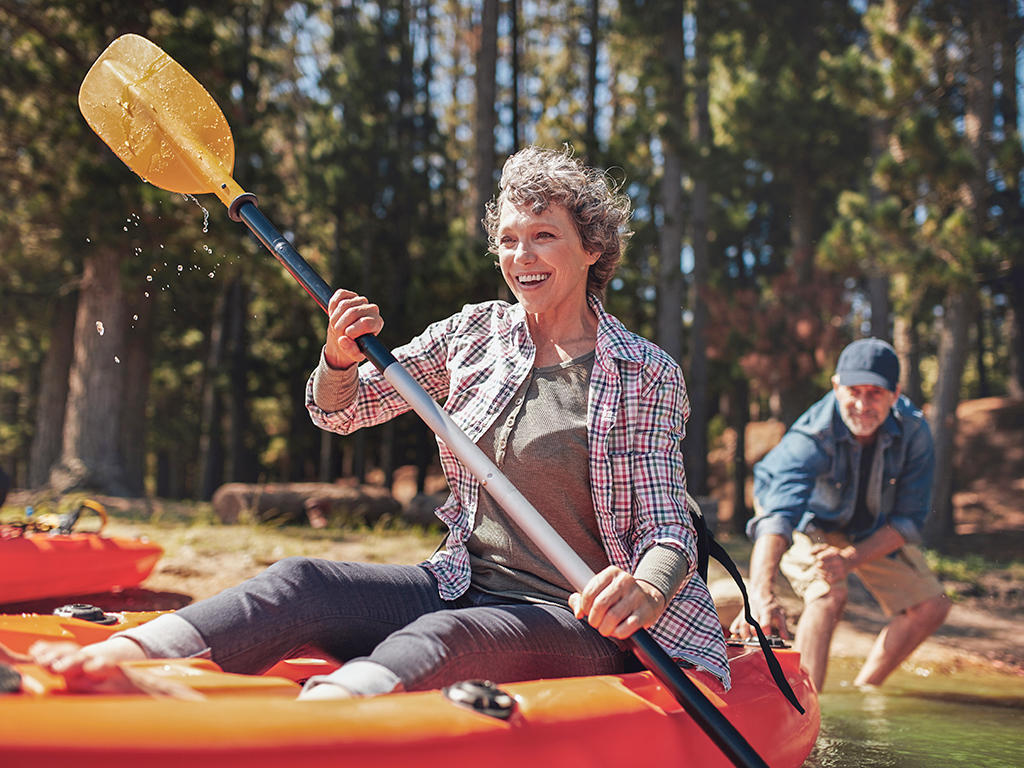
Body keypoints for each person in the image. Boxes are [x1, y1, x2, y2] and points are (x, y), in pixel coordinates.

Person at [13, 146, 730, 698]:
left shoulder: (643, 372)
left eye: (543, 236)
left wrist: (645, 587)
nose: (521, 257)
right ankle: (113, 662)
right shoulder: (473, 335)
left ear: (593, 247)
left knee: (446, 637)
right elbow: (346, 412)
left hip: (578, 618)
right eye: (509, 240)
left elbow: (667, 526)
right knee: (302, 581)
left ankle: (320, 721)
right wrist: (338, 358)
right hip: (462, 580)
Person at [729, 338, 951, 691]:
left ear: (895, 393)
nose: (862, 404)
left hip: (866, 526)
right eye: (853, 391)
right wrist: (761, 595)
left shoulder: (915, 431)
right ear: (836, 387)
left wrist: (850, 559)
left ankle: (865, 690)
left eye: (875, 393)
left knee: (931, 605)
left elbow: (908, 520)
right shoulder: (813, 434)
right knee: (828, 593)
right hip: (805, 518)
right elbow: (778, 517)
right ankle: (805, 704)